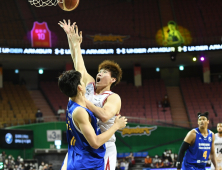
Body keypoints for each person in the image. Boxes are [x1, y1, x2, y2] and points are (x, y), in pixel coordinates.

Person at [59, 20, 123, 170]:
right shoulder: (89, 85)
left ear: (113, 79)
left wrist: (80, 101)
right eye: (99, 71)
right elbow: (77, 61)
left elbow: (105, 115)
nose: (99, 73)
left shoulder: (113, 97)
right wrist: (73, 40)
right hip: (81, 143)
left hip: (104, 145)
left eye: (104, 72)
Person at [58, 70, 127, 170]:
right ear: (80, 88)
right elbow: (95, 142)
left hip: (75, 154)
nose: (86, 83)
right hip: (87, 161)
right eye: (82, 82)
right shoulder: (80, 112)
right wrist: (116, 126)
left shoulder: (71, 102)